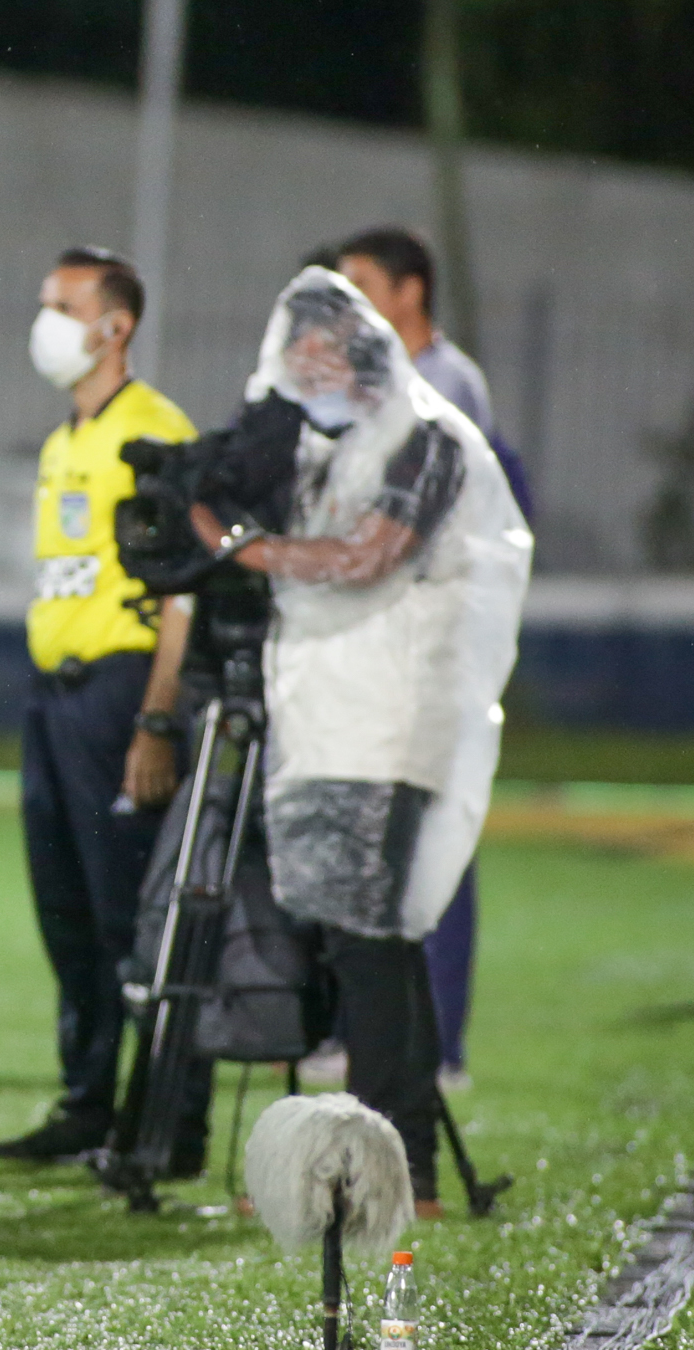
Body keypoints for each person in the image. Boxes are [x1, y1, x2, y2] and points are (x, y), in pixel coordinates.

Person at [190, 267, 531, 1215]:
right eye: (292, 352)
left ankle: (395, 1172)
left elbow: (362, 558)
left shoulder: (426, 440)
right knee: (352, 947)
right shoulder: (329, 450)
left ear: (364, 352)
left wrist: (228, 541)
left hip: (393, 726)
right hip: (333, 721)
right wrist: (209, 504)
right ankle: (364, 1167)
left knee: (369, 947)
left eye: (318, 350)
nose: (302, 369)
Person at [0, 247, 207, 1171]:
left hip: (120, 694)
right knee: (65, 909)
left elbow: (184, 591)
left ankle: (163, 1124)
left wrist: (157, 719)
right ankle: (86, 1104)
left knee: (131, 916)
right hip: (54, 694)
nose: (47, 322)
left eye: (62, 306)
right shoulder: (63, 439)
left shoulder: (156, 431)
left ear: (115, 327)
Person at [334, 227, 507, 1093]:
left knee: (435, 839)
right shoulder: (380, 386)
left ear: (409, 292)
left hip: (431, 652)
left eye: (361, 283)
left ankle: (438, 1048)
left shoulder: (447, 383)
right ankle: (370, 1037)